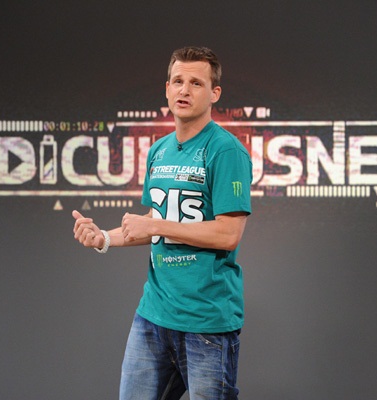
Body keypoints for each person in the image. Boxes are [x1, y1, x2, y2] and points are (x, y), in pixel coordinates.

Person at [72, 46, 252, 400]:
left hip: (206, 324)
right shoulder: (159, 150)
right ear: (167, 89)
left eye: (196, 83)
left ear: (215, 93)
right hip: (153, 317)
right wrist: (103, 238)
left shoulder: (226, 150)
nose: (185, 90)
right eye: (178, 81)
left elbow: (228, 233)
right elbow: (156, 219)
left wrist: (156, 227)